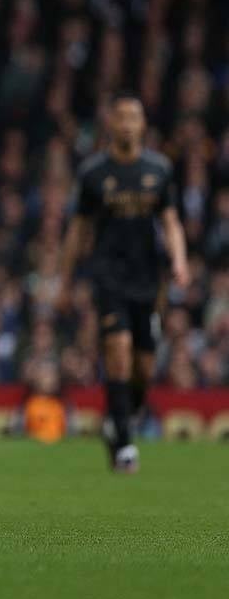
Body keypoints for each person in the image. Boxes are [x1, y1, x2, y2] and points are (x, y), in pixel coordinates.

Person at [58, 93, 189, 473]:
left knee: (144, 368)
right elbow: (77, 230)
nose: (129, 123)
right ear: (111, 124)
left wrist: (180, 260)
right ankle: (126, 444)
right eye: (122, 117)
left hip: (148, 280)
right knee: (118, 348)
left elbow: (170, 221)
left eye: (135, 117)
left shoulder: (159, 170)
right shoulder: (93, 173)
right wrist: (65, 281)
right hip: (109, 276)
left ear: (143, 124)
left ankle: (118, 418)